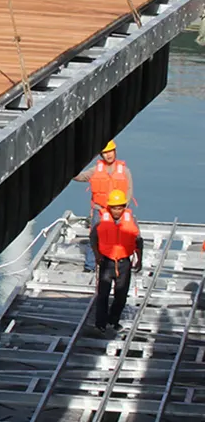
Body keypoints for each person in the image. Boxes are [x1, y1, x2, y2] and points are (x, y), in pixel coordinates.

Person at [74, 140, 134, 271]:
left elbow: (129, 190)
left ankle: (117, 263)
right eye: (105, 152)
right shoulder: (95, 170)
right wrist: (69, 171)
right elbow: (81, 177)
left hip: (117, 210)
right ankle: (90, 265)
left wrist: (121, 209)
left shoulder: (124, 171)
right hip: (99, 209)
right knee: (94, 237)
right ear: (101, 155)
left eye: (110, 151)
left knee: (119, 238)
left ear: (115, 151)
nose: (108, 155)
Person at [90, 189, 143, 333]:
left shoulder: (131, 220)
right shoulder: (101, 220)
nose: (117, 211)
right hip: (106, 263)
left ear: (124, 207)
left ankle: (113, 321)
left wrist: (139, 259)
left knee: (121, 296)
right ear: (109, 207)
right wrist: (96, 254)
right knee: (103, 295)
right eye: (114, 208)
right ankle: (100, 324)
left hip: (124, 263)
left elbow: (138, 240)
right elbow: (93, 237)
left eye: (120, 208)